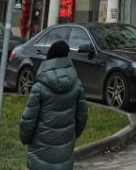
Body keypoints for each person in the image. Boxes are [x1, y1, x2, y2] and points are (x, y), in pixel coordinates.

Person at [19, 40, 89, 170]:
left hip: (39, 152)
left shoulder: (39, 88)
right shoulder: (77, 85)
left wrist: (25, 138)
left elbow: (28, 120)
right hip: (65, 153)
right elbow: (82, 117)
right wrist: (72, 136)